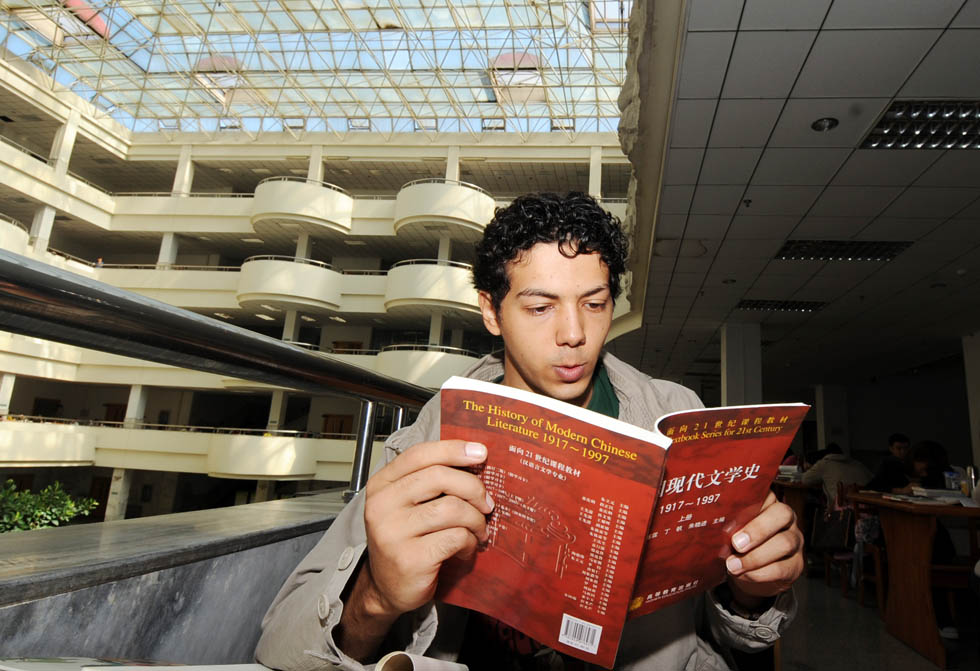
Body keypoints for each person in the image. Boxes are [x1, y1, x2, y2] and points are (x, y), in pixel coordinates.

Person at [255, 193, 803, 671]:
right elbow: (282, 643)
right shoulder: (437, 433)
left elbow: (740, 635)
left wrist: (751, 590)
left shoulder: (676, 416)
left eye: (595, 303)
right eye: (540, 307)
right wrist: (375, 597)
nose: (574, 335)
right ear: (491, 311)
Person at [801, 443, 872, 507]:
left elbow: (805, 479)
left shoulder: (824, 463)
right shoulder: (858, 464)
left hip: (842, 511)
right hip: (870, 508)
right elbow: (873, 480)